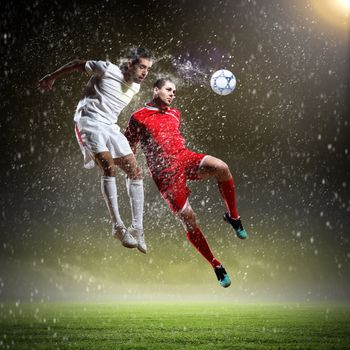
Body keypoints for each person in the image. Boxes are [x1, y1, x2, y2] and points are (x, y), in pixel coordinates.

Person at [124, 78, 248, 288]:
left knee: (222, 167)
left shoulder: (175, 114)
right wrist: (128, 165)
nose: (172, 94)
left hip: (184, 158)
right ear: (156, 90)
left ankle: (233, 217)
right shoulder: (138, 117)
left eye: (174, 91)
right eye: (168, 90)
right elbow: (128, 146)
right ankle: (216, 264)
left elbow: (173, 140)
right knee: (189, 218)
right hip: (165, 175)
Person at [37, 47, 153, 253]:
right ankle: (118, 226)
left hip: (110, 126)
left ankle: (137, 228)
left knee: (136, 172)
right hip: (88, 122)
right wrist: (51, 77)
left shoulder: (134, 87)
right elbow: (75, 63)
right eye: (142, 67)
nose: (145, 72)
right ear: (130, 64)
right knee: (108, 167)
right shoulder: (106, 69)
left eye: (148, 69)